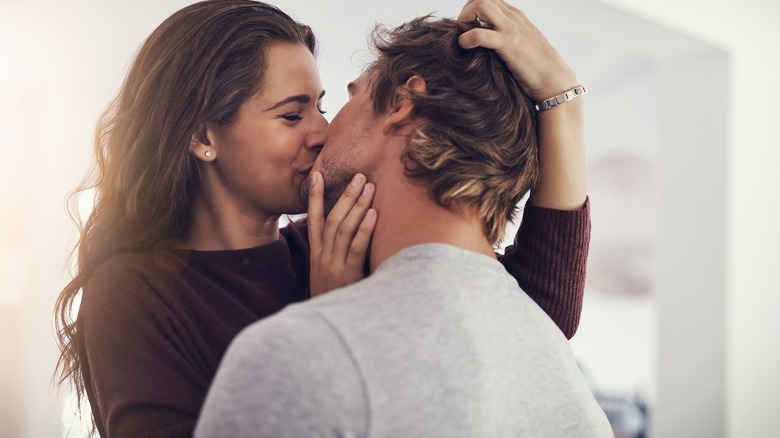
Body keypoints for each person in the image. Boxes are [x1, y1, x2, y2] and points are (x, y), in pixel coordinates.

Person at [53, 0, 591, 437]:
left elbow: (527, 311)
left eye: (321, 106)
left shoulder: (333, 234)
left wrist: (562, 107)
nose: (321, 130)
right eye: (291, 114)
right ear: (201, 137)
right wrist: (331, 313)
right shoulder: (134, 291)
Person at [196, 9, 608, 438]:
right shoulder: (555, 367)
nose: (321, 131)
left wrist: (333, 324)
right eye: (292, 114)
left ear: (400, 104)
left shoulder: (298, 356)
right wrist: (563, 104)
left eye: (347, 98)